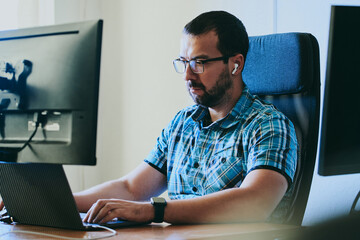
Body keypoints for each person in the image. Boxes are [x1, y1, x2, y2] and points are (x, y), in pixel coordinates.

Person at [0, 10, 297, 225]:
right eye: (184, 63)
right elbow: (131, 188)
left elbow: (255, 202)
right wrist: (48, 203)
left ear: (235, 64)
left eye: (200, 63)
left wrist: (155, 210)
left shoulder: (269, 125)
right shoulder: (183, 122)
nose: (188, 75)